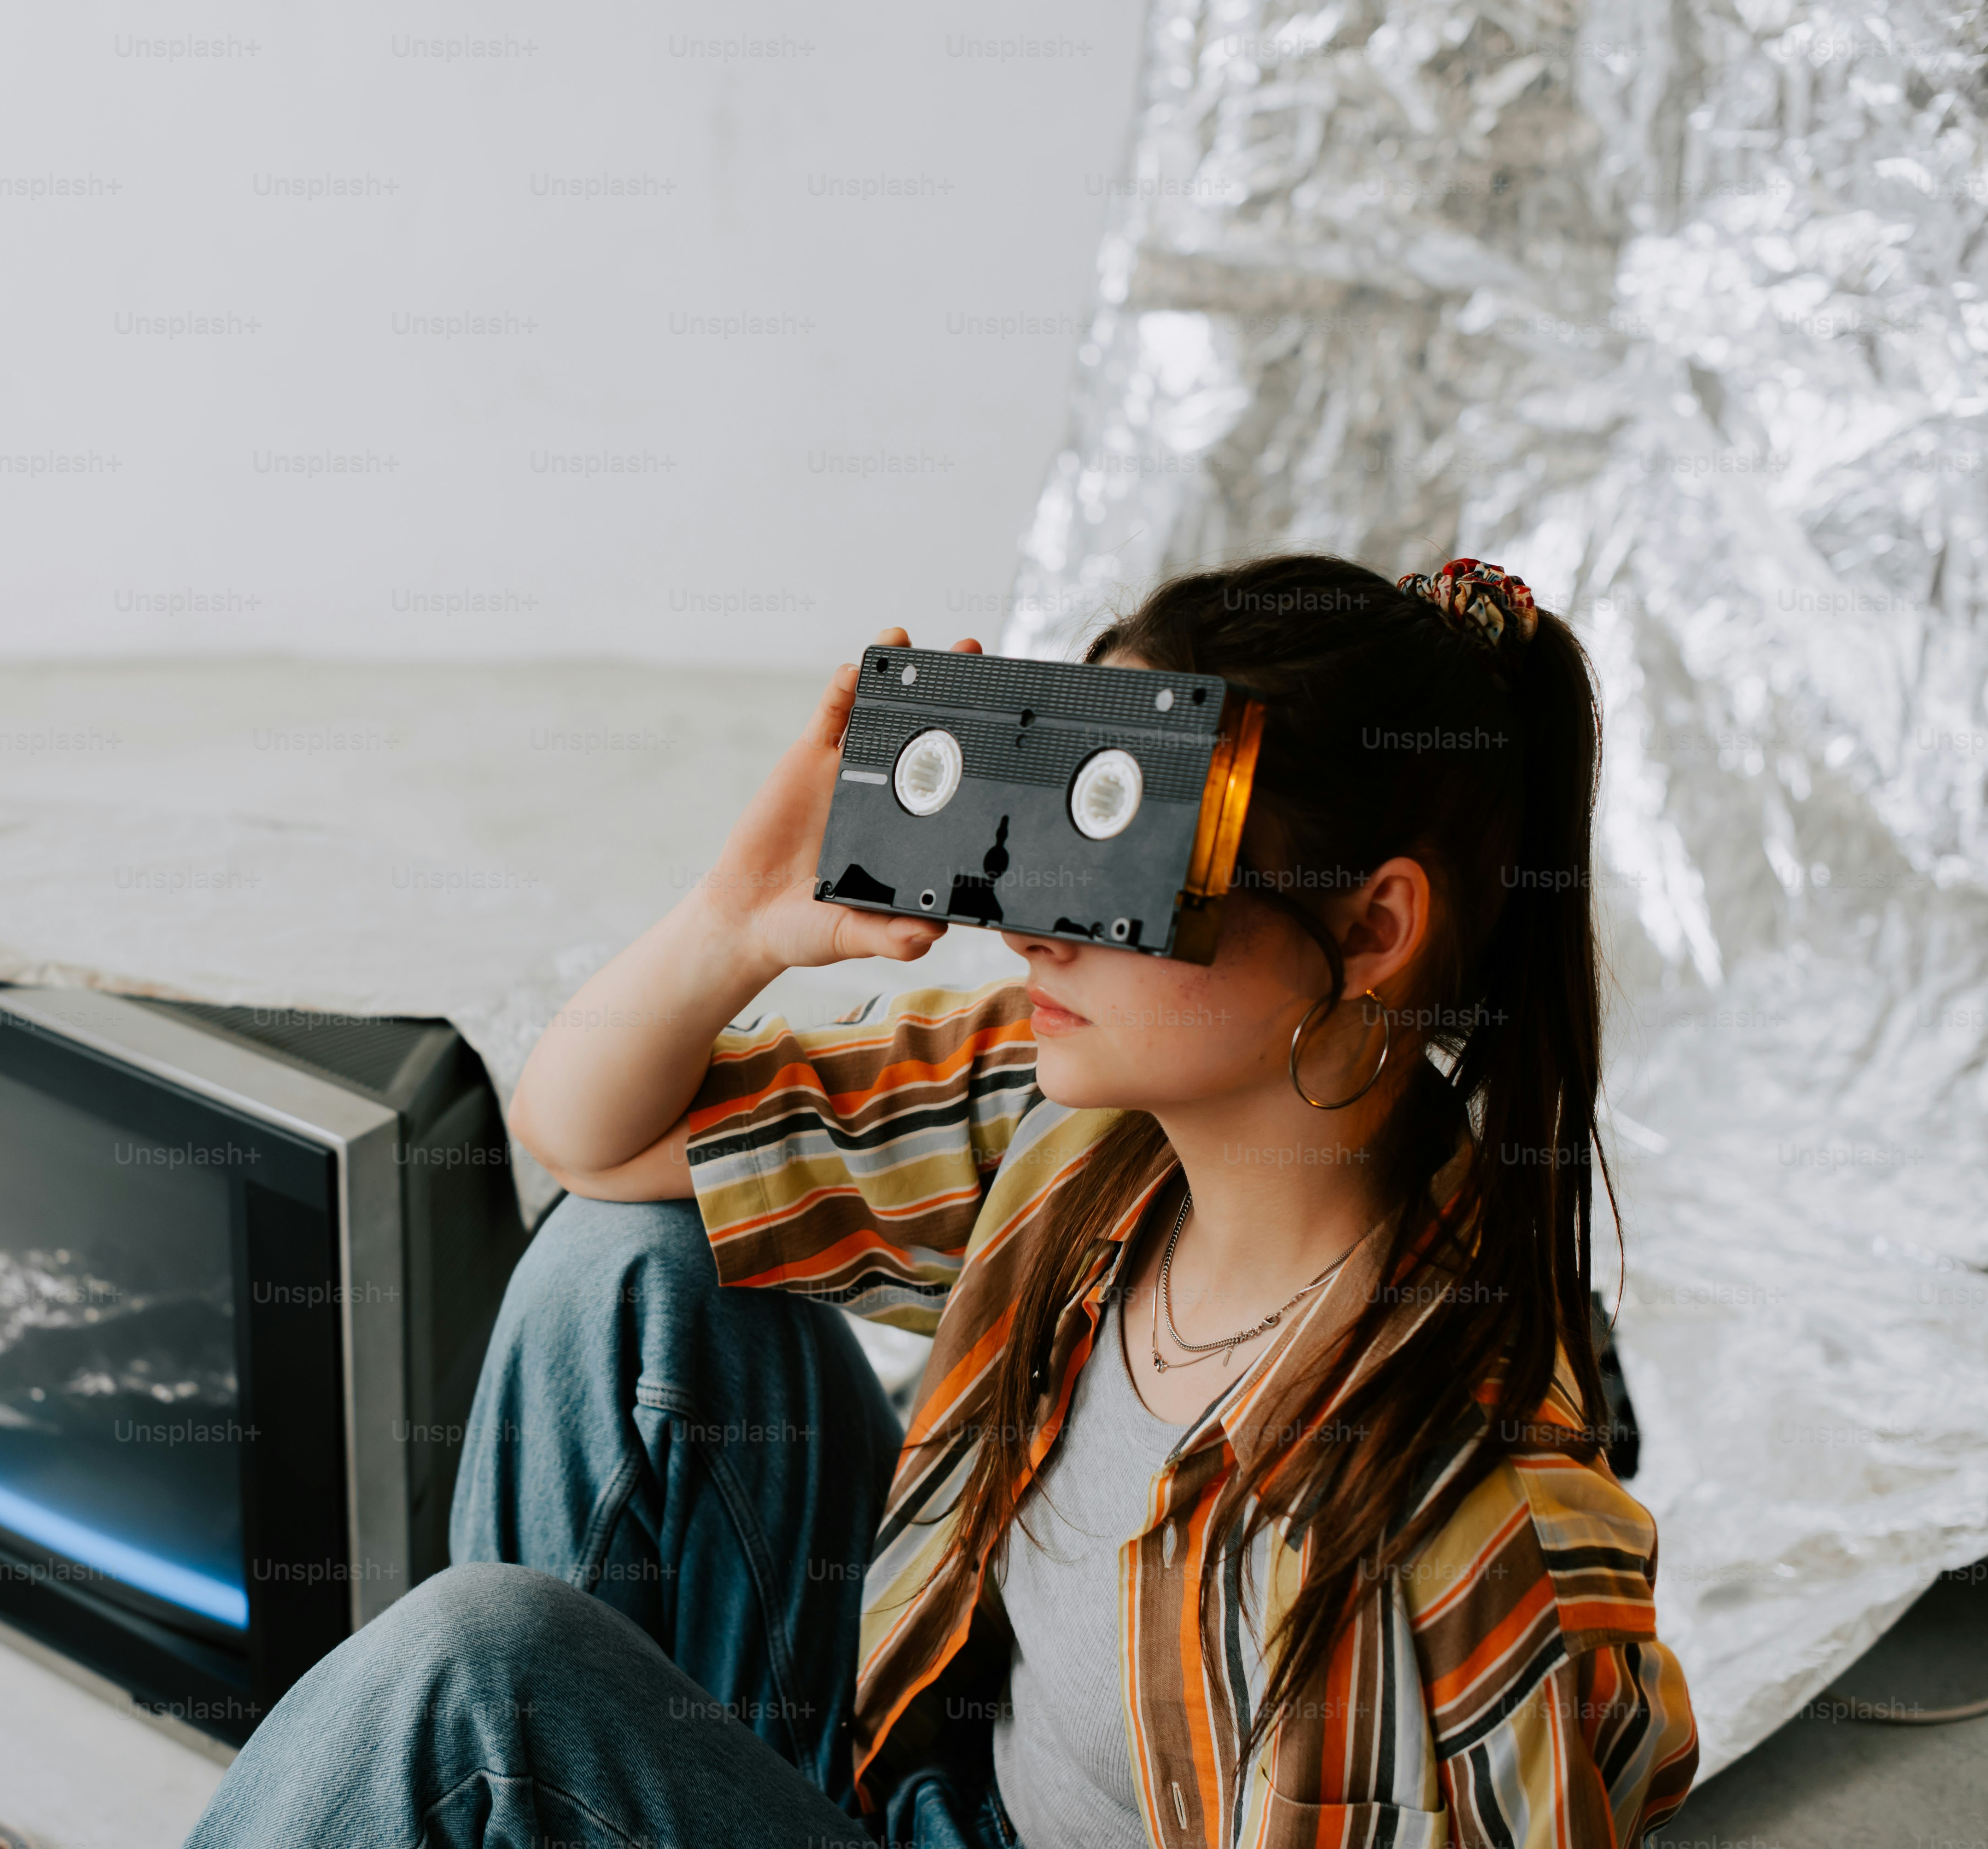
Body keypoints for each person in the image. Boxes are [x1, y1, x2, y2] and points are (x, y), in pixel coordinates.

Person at [183, 554, 1700, 1849]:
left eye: (1136, 869)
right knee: (627, 1268)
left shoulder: (1443, 1541)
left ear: (1372, 927)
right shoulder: (1078, 1138)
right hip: (915, 1795)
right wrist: (739, 919)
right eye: (1068, 822)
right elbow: (591, 1138)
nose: (1039, 932)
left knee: (475, 1683)